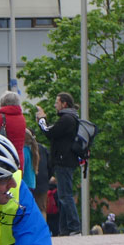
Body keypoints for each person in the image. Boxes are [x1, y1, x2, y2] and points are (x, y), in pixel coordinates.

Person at [35, 93, 80, 236]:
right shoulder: (71, 118)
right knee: (62, 195)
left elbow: (49, 132)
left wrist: (42, 119)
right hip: (65, 160)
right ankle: (65, 228)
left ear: (64, 104)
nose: (55, 105)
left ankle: (74, 226)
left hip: (63, 161)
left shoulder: (67, 119)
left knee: (65, 195)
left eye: (57, 102)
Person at [0, 91, 28, 174]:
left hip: (4, 159)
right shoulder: (22, 118)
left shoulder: (0, 118)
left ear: (3, 103)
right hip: (19, 158)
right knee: (16, 181)